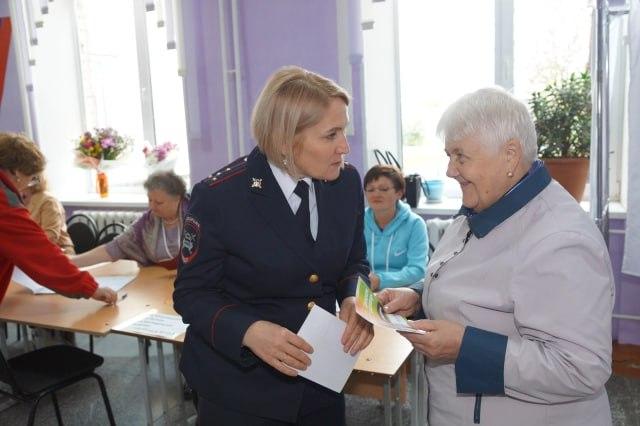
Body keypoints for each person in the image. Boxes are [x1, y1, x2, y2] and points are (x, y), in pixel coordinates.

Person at [379, 87, 614, 426]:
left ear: (510, 155)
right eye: (448, 155)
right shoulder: (483, 203)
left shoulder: (561, 240)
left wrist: (465, 348)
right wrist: (417, 297)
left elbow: (581, 368)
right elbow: (469, 279)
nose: (449, 170)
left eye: (460, 156)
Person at [173, 66, 374, 425]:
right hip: (241, 386)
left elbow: (354, 262)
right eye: (331, 135)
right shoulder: (221, 197)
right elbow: (191, 293)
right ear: (285, 140)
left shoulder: (345, 183)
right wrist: (248, 331)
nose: (345, 147)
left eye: (344, 131)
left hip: (320, 377)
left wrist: (352, 299)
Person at [0, 132, 116, 304]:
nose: (27, 186)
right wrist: (90, 288)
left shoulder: (45, 201)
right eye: (31, 179)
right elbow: (40, 252)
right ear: (16, 172)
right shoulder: (5, 202)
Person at [71, 170, 188, 270]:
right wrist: (71, 262)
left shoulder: (197, 218)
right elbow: (115, 247)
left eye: (159, 203)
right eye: (150, 200)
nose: (152, 207)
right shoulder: (147, 222)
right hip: (157, 282)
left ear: (178, 199)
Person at [363, 165, 428, 291]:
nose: (376, 194)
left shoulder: (415, 224)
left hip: (403, 292)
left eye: (383, 189)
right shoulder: (358, 222)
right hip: (366, 290)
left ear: (399, 192)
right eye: (370, 190)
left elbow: (418, 270)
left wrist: (380, 280)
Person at [22, 174, 76, 255]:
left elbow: (51, 237)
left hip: (60, 252)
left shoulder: (48, 201)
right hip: (32, 252)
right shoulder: (18, 200)